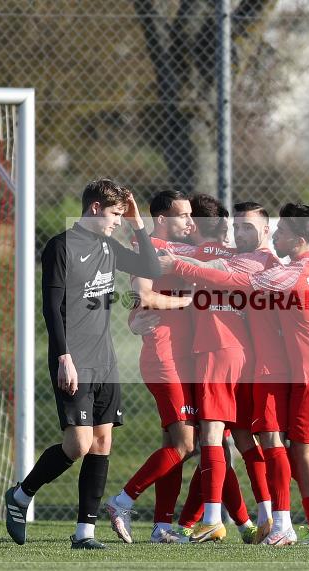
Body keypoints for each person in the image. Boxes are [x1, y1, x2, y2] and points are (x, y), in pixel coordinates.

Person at [169, 203, 309, 546]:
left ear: (298, 237)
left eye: (281, 232)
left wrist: (179, 263)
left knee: (296, 450)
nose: (276, 235)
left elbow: (238, 279)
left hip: (306, 372)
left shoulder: (287, 273)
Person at [4, 178, 161, 550]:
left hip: (104, 359)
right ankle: (22, 495)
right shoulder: (61, 247)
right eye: (114, 214)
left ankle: (83, 533)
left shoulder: (108, 245)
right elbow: (51, 309)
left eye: (122, 215)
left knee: (102, 441)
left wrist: (139, 223)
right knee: (77, 444)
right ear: (94, 209)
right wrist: (63, 357)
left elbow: (150, 267)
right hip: (73, 359)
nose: (117, 222)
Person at [104, 190, 197, 544]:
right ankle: (122, 500)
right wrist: (187, 302)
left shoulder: (184, 247)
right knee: (187, 444)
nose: (190, 222)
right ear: (162, 219)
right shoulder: (151, 248)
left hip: (183, 357)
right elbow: (142, 295)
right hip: (164, 357)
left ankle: (162, 526)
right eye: (183, 215)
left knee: (173, 443)